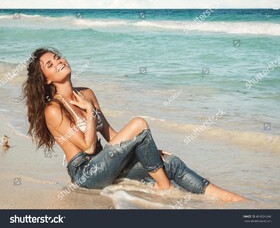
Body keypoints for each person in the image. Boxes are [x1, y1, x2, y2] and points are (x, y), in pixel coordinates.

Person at [23, 47, 247, 202]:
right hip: (86, 174)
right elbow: (89, 148)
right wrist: (90, 111)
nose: (59, 62)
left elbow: (111, 135)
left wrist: (146, 148)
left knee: (169, 162)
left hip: (107, 164)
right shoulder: (53, 110)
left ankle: (234, 200)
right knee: (139, 123)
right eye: (50, 64)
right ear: (47, 80)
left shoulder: (87, 93)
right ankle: (164, 188)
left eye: (58, 57)